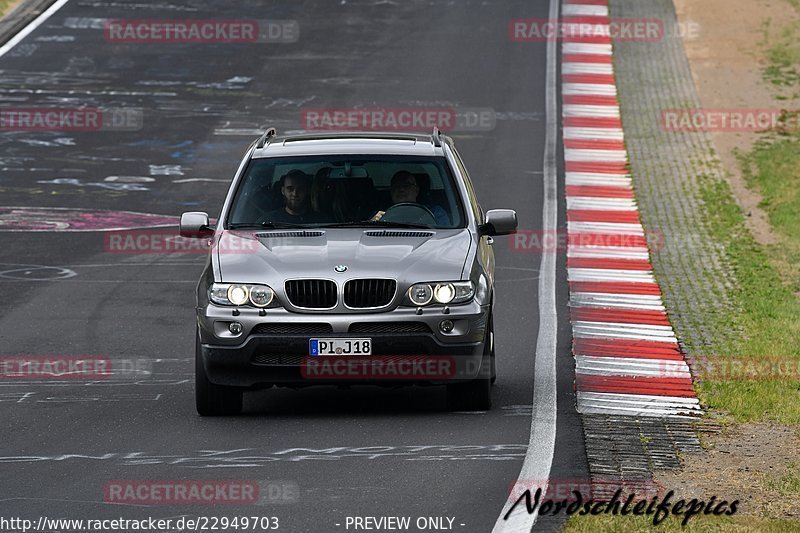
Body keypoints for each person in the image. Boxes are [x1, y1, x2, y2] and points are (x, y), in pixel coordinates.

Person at [372, 170, 449, 225]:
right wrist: (372, 223)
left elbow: (445, 236)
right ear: (391, 191)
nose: (401, 189)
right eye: (397, 185)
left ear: (416, 190)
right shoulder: (380, 214)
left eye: (406, 185)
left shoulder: (436, 213)